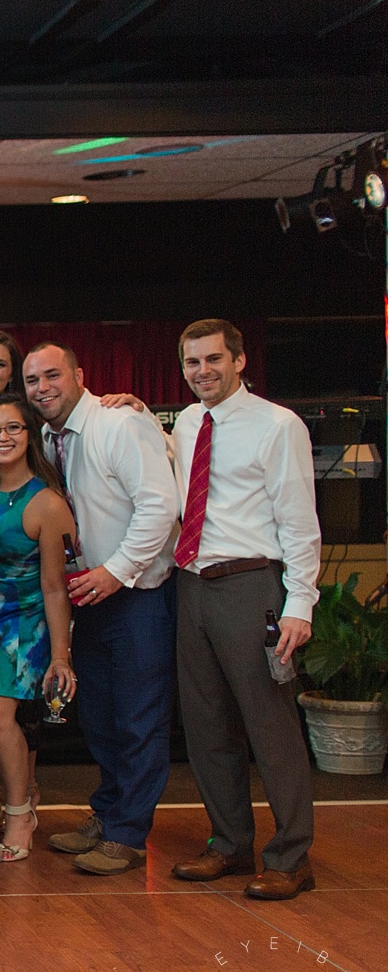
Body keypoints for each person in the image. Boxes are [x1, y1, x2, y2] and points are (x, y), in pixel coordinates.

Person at [166, 319, 321, 900]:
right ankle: (229, 845)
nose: (202, 371)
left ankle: (290, 856)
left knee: (269, 725)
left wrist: (299, 602)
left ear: (238, 360)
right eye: (191, 363)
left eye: (212, 359)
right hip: (193, 585)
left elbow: (300, 520)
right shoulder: (184, 423)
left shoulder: (278, 426)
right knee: (207, 727)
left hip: (253, 584)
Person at [22, 343, 180, 876]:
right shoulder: (48, 438)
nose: (42, 387)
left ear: (79, 375)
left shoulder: (120, 424)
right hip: (85, 594)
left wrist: (117, 572)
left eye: (52, 375)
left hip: (135, 593)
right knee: (101, 718)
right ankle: (111, 812)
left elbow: (160, 505)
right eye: (32, 380)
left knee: (139, 716)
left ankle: (129, 834)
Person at [0, 393, 77, 863]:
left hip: (25, 622)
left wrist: (61, 655)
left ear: (30, 436)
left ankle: (21, 810)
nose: (2, 438)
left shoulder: (47, 503)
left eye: (13, 428)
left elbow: (54, 587)